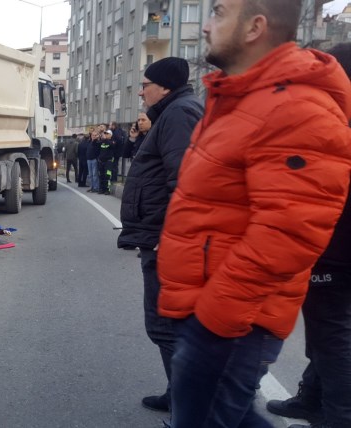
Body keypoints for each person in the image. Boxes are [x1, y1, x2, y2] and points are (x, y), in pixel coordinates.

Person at [155, 1, 351, 426]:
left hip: (231, 322)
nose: (207, 25)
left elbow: (289, 232)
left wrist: (214, 318)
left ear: (255, 27)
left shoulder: (295, 107)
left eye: (220, 13)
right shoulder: (242, 100)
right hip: (211, 311)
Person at [265, 42, 351, 428]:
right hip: (334, 244)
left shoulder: (335, 121)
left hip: (335, 247)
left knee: (332, 334)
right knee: (327, 332)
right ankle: (312, 398)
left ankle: (339, 416)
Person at [116, 56, 204, 413]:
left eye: (146, 84)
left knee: (165, 324)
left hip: (166, 239)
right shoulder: (174, 111)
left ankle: (187, 403)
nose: (140, 92)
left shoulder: (180, 113)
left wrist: (168, 237)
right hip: (162, 234)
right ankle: (181, 395)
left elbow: (185, 181)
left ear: (164, 86)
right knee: (166, 324)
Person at [97, 129, 116, 194]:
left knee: (107, 175)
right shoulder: (102, 142)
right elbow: (96, 144)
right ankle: (101, 189)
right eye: (105, 134)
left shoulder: (112, 141)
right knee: (101, 175)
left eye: (107, 134)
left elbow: (112, 145)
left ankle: (107, 189)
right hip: (101, 161)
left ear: (110, 135)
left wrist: (106, 139)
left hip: (108, 162)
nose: (105, 135)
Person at [85, 127, 101, 193]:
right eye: (93, 135)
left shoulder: (97, 142)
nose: (93, 136)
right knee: (90, 174)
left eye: (95, 135)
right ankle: (91, 187)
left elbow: (96, 148)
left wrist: (96, 139)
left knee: (95, 174)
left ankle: (96, 187)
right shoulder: (89, 142)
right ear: (91, 136)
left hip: (94, 159)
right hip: (88, 159)